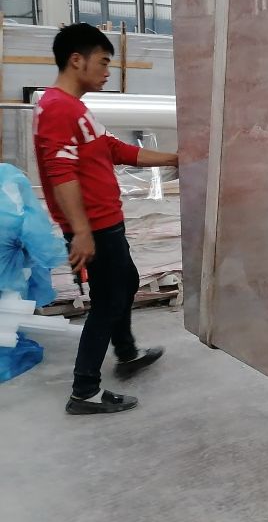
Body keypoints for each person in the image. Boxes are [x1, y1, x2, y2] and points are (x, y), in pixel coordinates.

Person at [33, 23, 179, 414]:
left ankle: (127, 353)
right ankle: (84, 391)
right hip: (95, 227)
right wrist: (81, 231)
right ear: (76, 60)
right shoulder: (59, 108)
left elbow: (114, 150)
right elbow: (60, 172)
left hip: (105, 222)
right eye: (103, 62)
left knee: (125, 283)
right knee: (107, 303)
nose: (107, 71)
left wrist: (175, 158)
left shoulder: (74, 108)